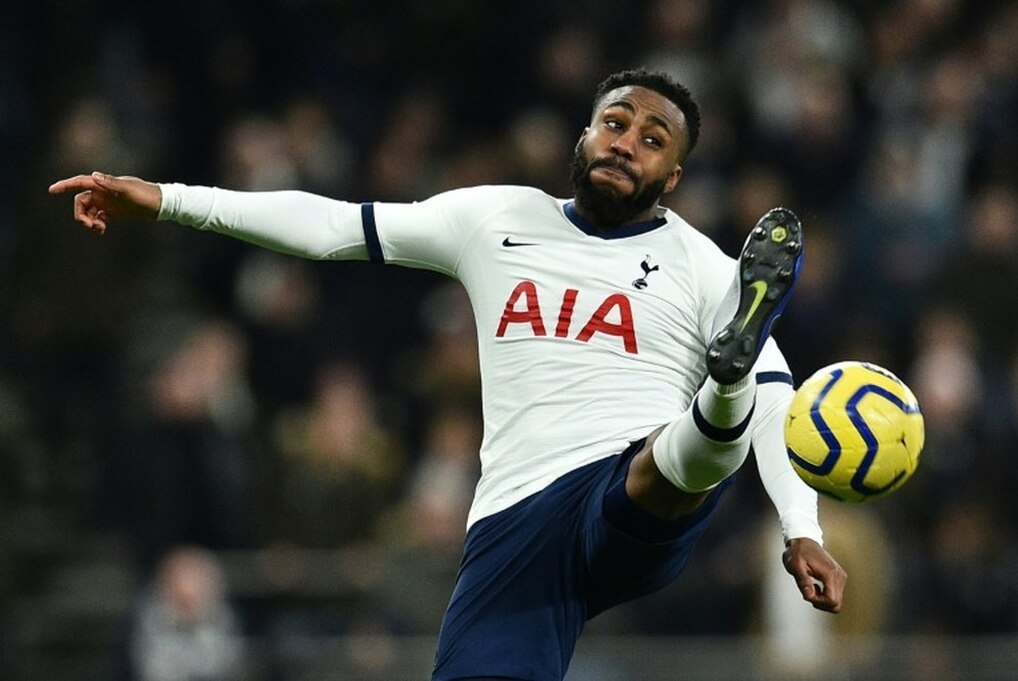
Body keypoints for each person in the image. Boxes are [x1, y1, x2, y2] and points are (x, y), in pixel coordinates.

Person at [51, 68, 846, 681]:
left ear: (672, 178)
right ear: (583, 134)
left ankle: (723, 384)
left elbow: (784, 402)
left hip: (626, 483)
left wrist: (800, 528)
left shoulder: (707, 269)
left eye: (651, 139)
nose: (625, 141)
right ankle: (718, 398)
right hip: (513, 519)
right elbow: (331, 226)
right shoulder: (495, 218)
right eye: (615, 122)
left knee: (682, 453)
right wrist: (165, 198)